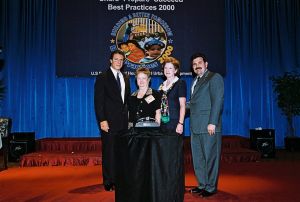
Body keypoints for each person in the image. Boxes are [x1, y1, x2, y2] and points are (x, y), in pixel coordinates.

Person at [188, 52, 224, 197]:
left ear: (206, 64)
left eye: (199, 63)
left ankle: (210, 187)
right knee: (198, 159)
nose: (197, 66)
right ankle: (202, 184)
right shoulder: (195, 81)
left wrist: (212, 123)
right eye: (194, 64)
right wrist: (178, 107)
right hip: (195, 126)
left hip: (209, 126)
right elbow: (193, 104)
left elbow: (217, 101)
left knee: (210, 158)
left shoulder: (214, 77)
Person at [94, 50, 131, 191]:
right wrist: (102, 120)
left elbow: (127, 101)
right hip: (108, 122)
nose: (119, 62)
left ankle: (120, 179)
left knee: (121, 152)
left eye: (121, 60)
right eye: (116, 59)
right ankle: (109, 181)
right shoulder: (102, 77)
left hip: (123, 123)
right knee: (109, 152)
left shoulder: (126, 77)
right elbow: (98, 102)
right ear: (110, 60)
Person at [158, 56, 186, 201]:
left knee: (175, 160)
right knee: (165, 158)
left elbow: (182, 106)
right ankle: (166, 188)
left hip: (175, 125)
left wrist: (180, 123)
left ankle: (176, 192)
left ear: (175, 70)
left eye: (170, 68)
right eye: (165, 68)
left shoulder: (180, 84)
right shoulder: (162, 86)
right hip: (163, 126)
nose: (168, 70)